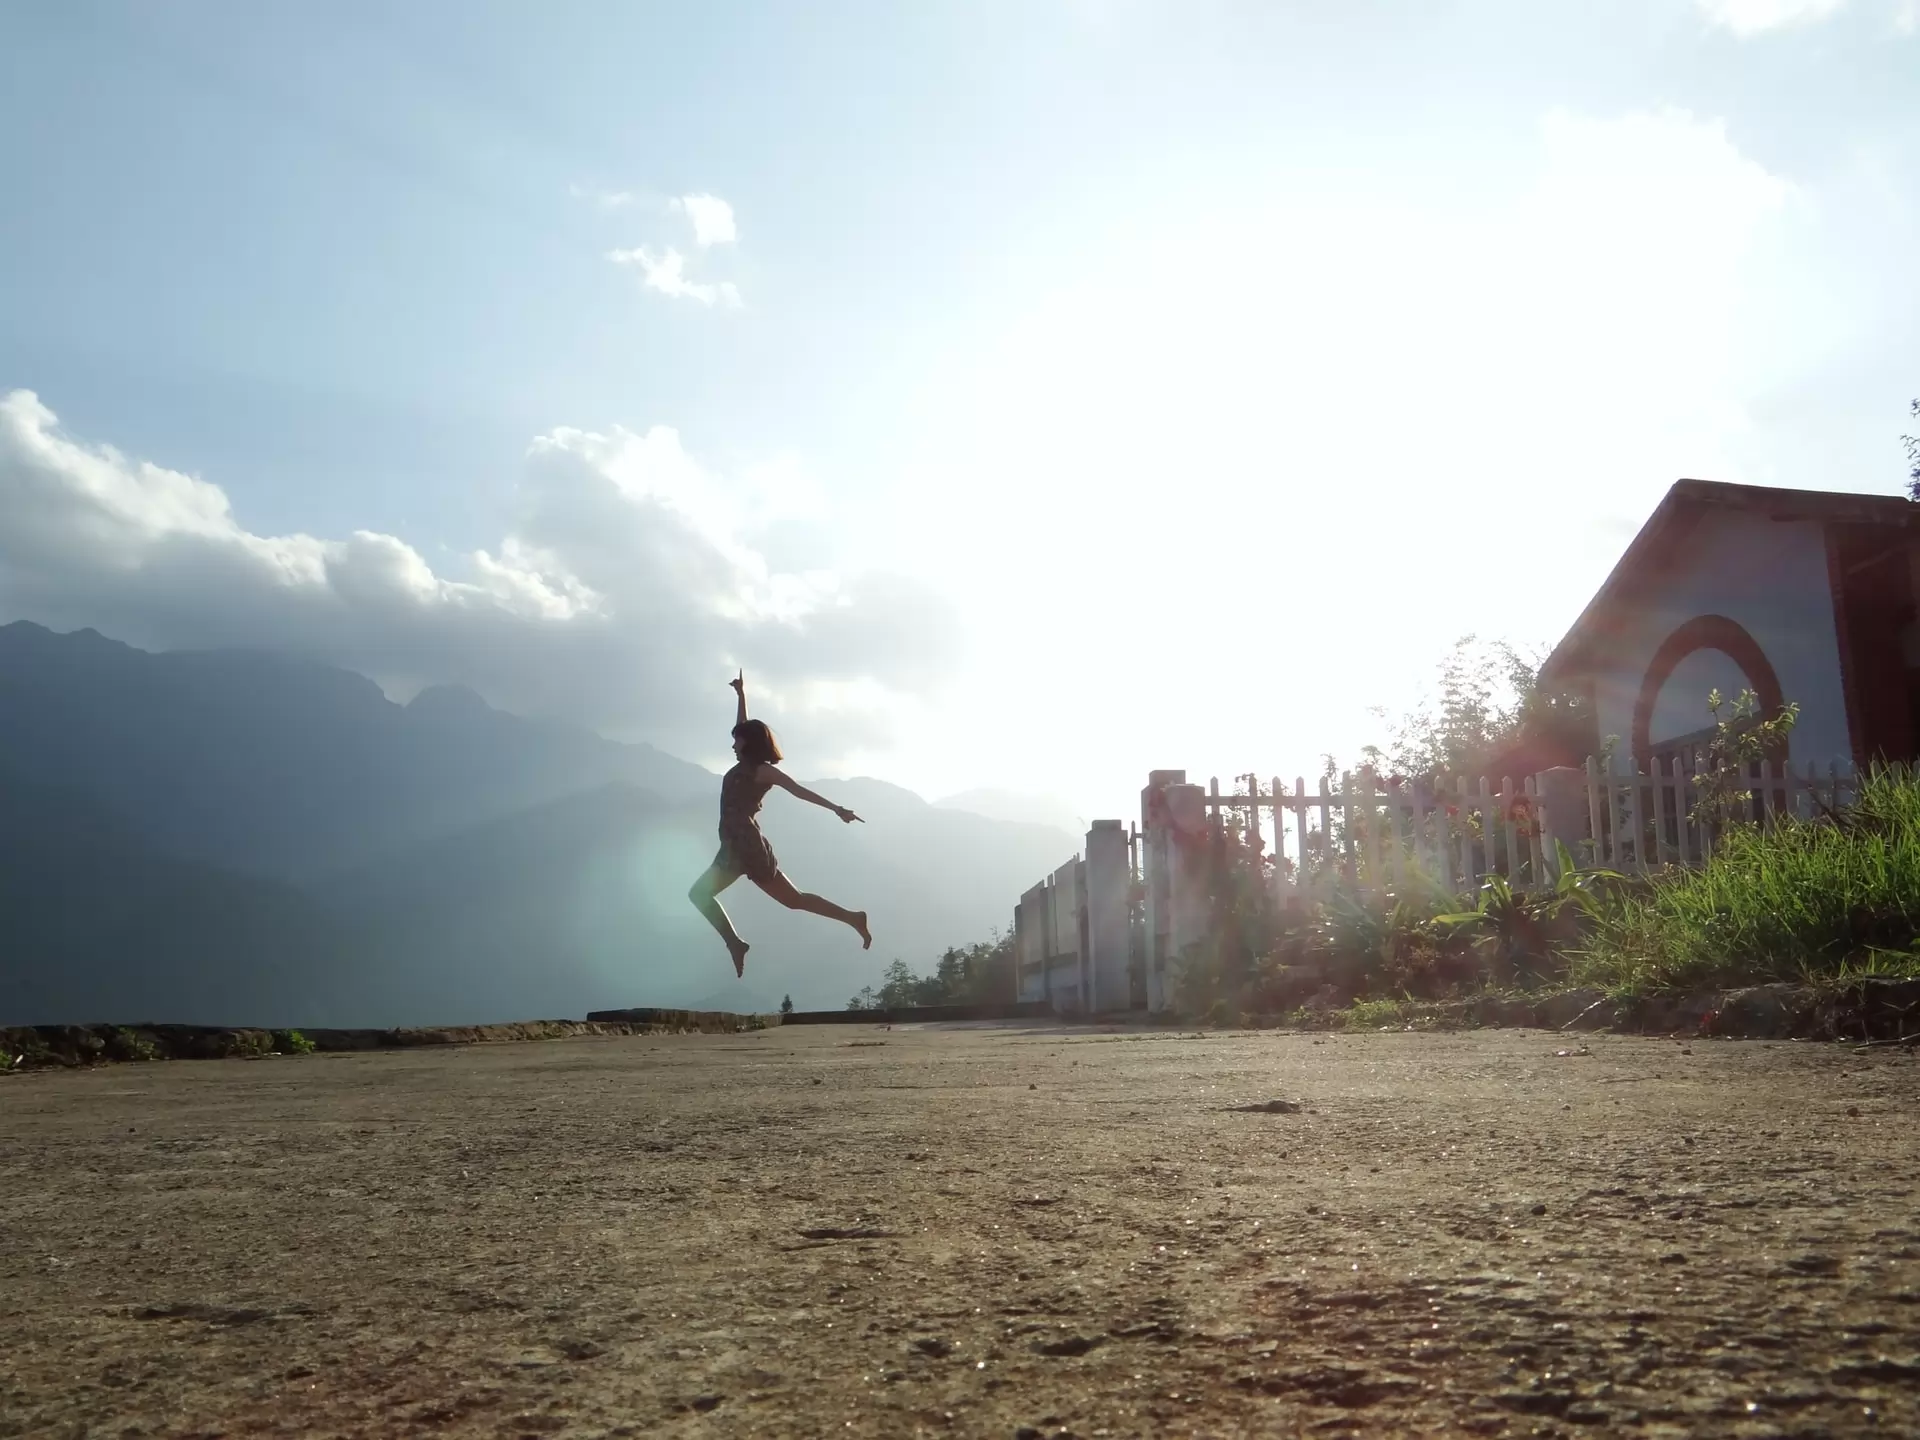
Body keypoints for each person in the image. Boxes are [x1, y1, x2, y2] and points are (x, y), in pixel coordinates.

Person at [687, 670, 872, 978]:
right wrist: (741, 695)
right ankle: (853, 918)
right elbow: (743, 727)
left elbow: (798, 790)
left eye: (737, 740)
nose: (733, 744)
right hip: (733, 844)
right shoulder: (744, 763)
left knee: (787, 900)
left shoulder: (763, 771)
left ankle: (737, 943)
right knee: (790, 900)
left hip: (746, 846)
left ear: (749, 743)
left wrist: (837, 808)